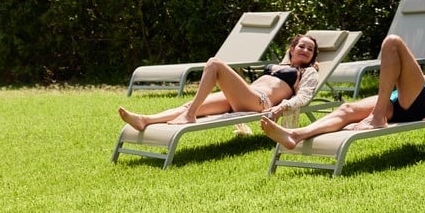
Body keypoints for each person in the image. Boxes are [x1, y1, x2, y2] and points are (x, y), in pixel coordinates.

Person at [260, 26, 425, 148]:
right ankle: (295, 135)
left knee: (393, 41)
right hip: (402, 98)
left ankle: (377, 116)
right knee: (347, 109)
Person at [117, 33, 319, 131]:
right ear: (292, 49)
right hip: (244, 96)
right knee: (191, 104)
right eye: (301, 46)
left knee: (214, 63)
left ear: (313, 56)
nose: (305, 50)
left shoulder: (307, 72)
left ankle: (189, 115)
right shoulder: (280, 65)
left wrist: (283, 106)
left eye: (310, 50)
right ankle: (145, 120)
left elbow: (304, 97)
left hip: (259, 101)